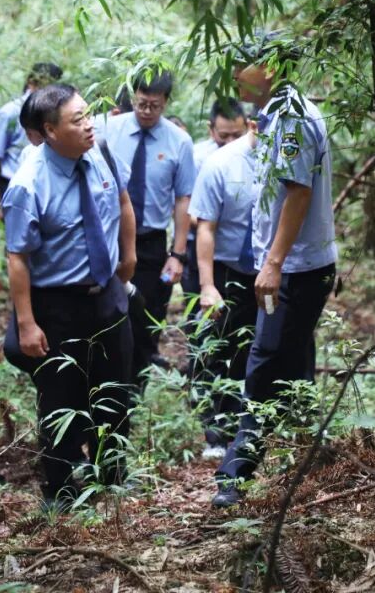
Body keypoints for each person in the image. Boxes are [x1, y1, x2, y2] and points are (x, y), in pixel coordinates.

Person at [212, 34, 337, 508]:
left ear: (268, 67)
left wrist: (274, 264)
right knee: (295, 362)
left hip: (296, 269)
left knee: (263, 363)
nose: (235, 76)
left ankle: (235, 476)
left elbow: (299, 193)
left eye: (241, 66)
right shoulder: (275, 114)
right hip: (296, 264)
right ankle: (316, 456)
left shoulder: (293, 118)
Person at [1, 83, 136, 509]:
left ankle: (110, 477)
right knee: (60, 398)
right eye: (77, 120)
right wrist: (26, 322)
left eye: (88, 114)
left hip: (107, 295)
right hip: (57, 303)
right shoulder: (28, 183)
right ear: (50, 131)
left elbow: (122, 200)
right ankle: (59, 491)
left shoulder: (99, 155)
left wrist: (128, 258)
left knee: (114, 389)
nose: (89, 124)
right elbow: (17, 257)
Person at [102, 67, 196, 387]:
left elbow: (183, 198)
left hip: (152, 242)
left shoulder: (179, 142)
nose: (146, 111)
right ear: (133, 98)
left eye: (154, 105)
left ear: (166, 102)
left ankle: (135, 389)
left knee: (148, 316)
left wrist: (178, 254)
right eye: (142, 103)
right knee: (107, 313)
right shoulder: (108, 130)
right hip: (110, 237)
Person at [188, 113, 259, 459]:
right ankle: (217, 432)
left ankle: (256, 427)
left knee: (254, 350)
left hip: (264, 271)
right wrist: (206, 285)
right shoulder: (219, 164)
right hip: (224, 268)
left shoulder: (281, 161)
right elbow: (205, 227)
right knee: (215, 350)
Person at [183, 98, 249, 298]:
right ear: (211, 130)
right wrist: (212, 220)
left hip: (240, 255)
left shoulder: (253, 156)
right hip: (200, 248)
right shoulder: (198, 158)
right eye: (224, 136)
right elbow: (183, 205)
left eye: (237, 135)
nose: (230, 142)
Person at [0, 62, 63, 201]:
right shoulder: (10, 112)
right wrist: (0, 193)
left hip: (46, 183)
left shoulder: (55, 111)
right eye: (45, 83)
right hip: (14, 182)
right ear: (31, 82)